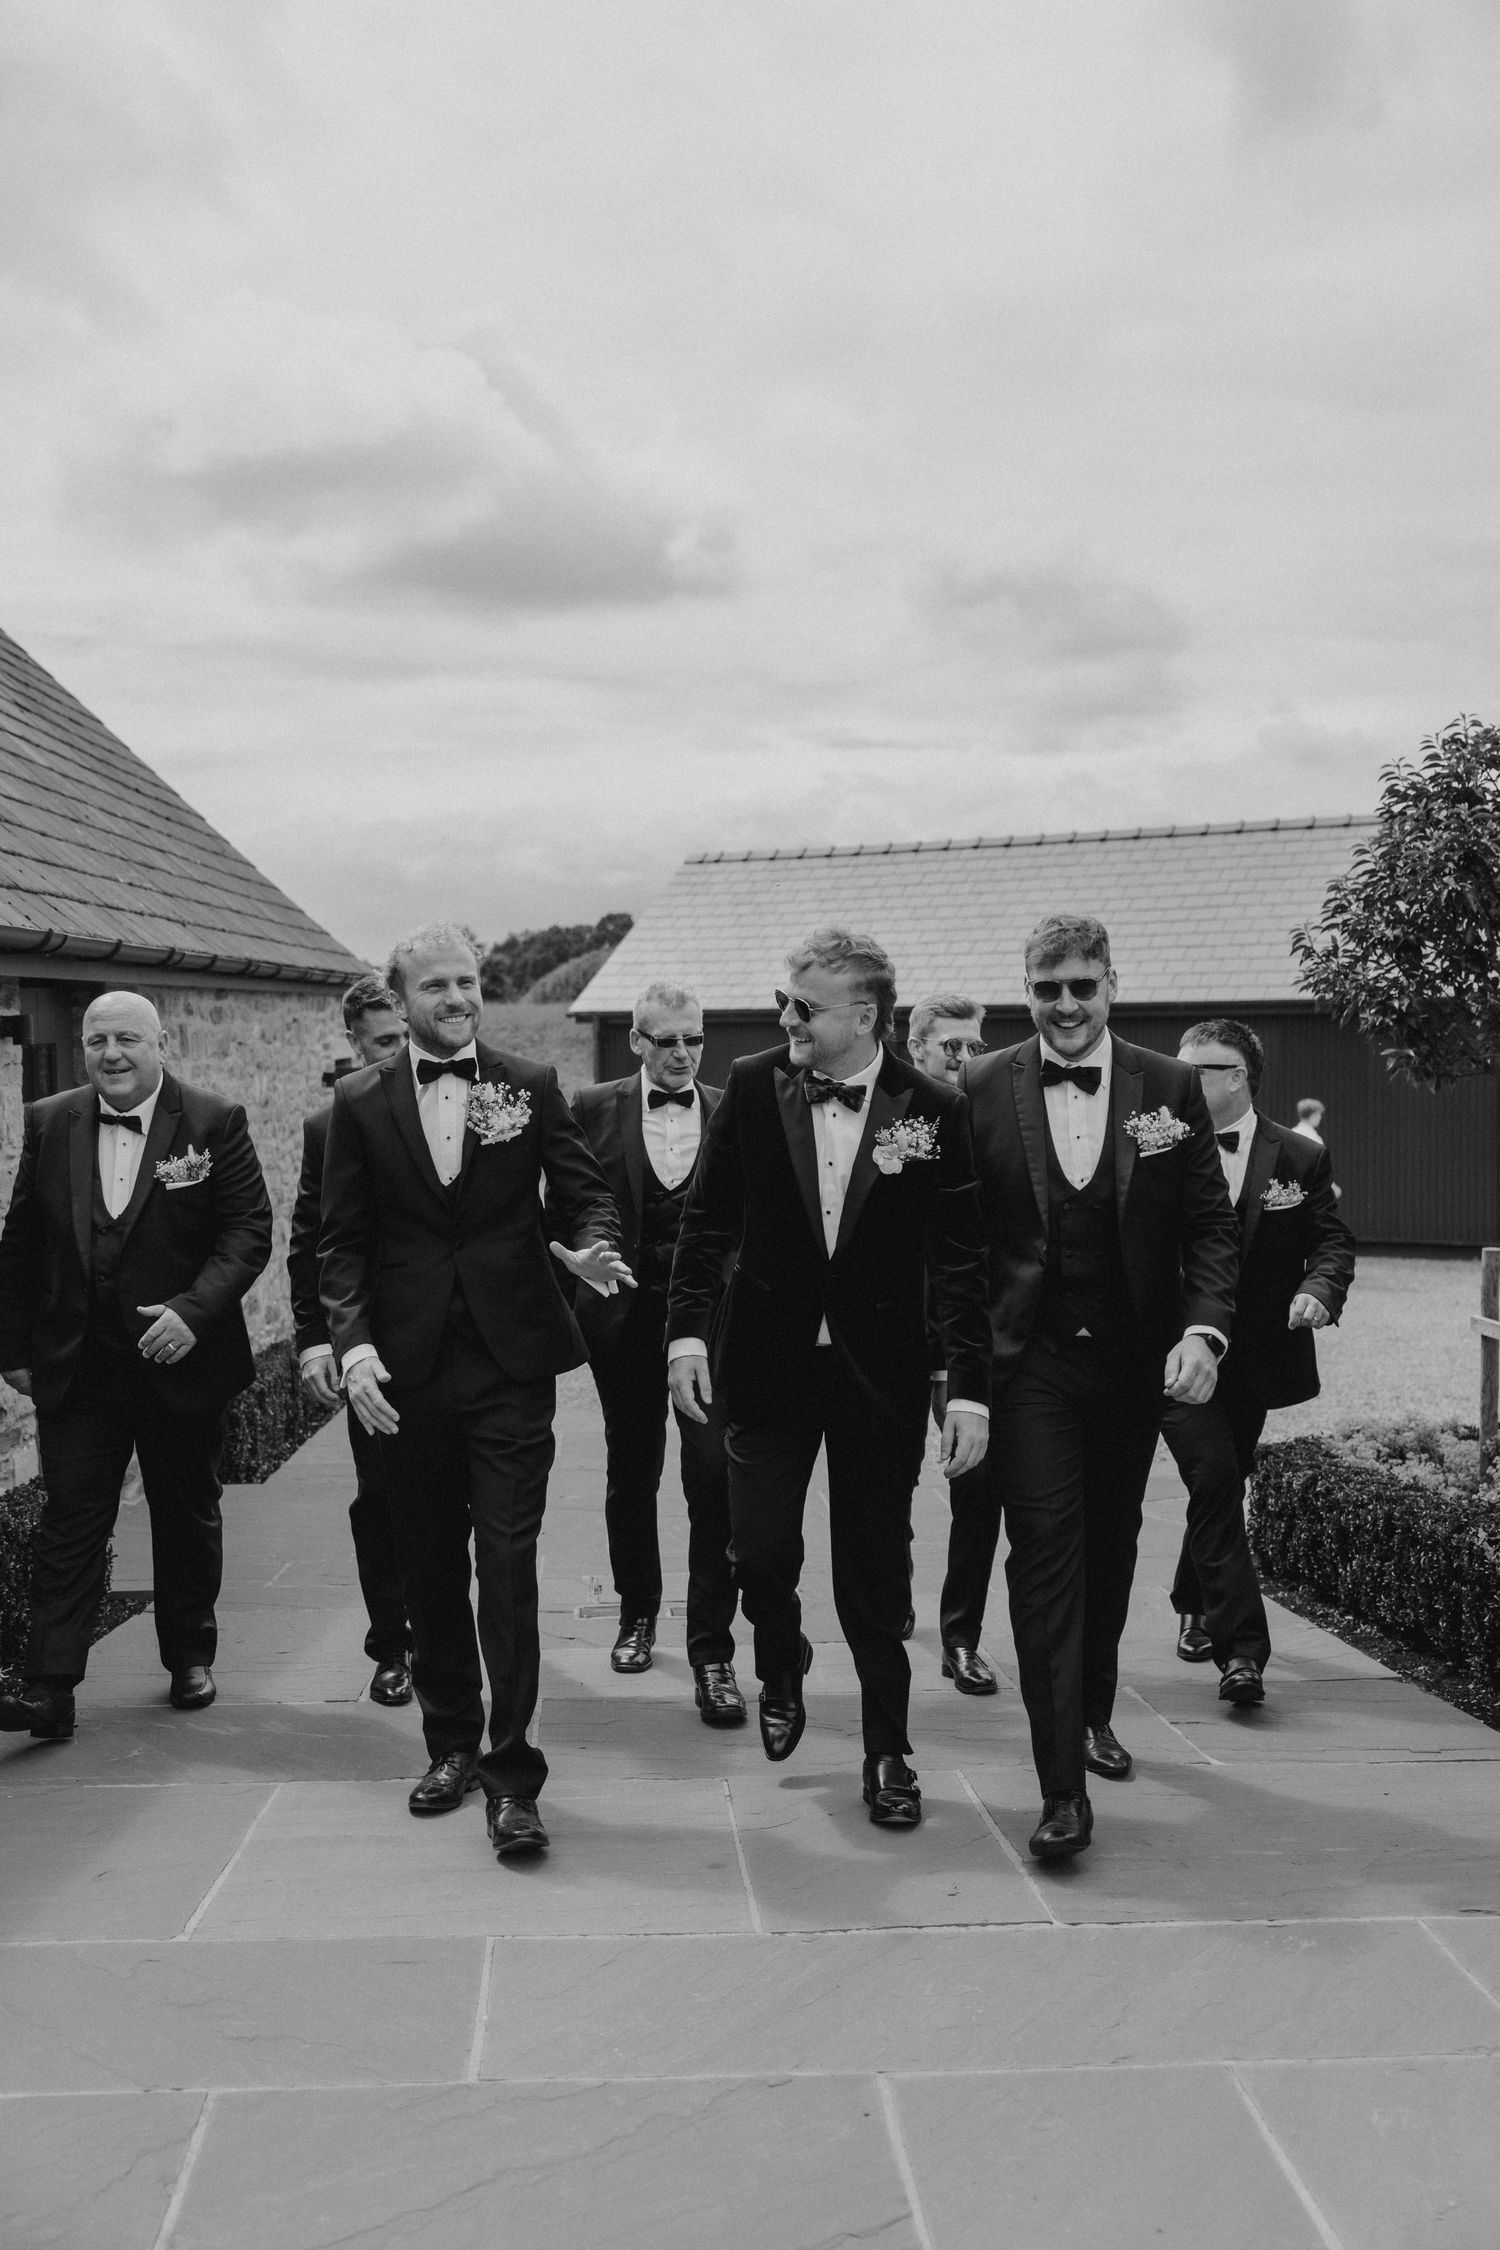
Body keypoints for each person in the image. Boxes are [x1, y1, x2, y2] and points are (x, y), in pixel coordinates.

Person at [667, 925, 990, 1830]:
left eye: (803, 1007)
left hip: (879, 1373)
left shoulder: (933, 1108)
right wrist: (685, 1336)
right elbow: (707, 1220)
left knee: (875, 1575)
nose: (786, 1019)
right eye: (786, 1001)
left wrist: (966, 1388)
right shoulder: (753, 1084)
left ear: (865, 1016)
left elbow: (961, 1261)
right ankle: (781, 1658)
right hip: (765, 1363)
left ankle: (888, 1750)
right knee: (758, 1550)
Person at [318, 923, 630, 1861]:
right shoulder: (358, 1103)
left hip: (509, 1366)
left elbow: (584, 1192)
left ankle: (513, 1773)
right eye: (437, 986)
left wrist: (594, 1245)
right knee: (427, 1565)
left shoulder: (529, 1085)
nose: (458, 999)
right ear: (400, 997)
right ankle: (450, 1742)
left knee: (507, 1560)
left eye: (468, 983)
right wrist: (353, 1349)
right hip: (405, 1374)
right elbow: (342, 1246)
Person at [963, 916, 1238, 1860]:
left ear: (1112, 984)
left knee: (1111, 1548)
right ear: (1026, 991)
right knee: (1044, 1556)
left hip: (1131, 1363)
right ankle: (1061, 1793)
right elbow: (957, 1245)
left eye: (1083, 985)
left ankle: (1092, 1711)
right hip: (1027, 1364)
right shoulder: (980, 1085)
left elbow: (1209, 1224)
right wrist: (957, 1376)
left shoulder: (1169, 1086)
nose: (1067, 1005)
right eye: (1048, 989)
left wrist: (1203, 1330)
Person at [0, 991, 272, 1737]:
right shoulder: (50, 1120)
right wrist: (12, 1348)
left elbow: (247, 1232)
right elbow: (21, 1239)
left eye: (126, 1038)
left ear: (161, 1044)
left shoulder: (213, 1121)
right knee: (70, 1519)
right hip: (80, 1364)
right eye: (97, 1041)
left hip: (180, 1358)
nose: (110, 1053)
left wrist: (193, 1312)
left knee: (184, 1511)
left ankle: (189, 1656)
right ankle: (50, 1689)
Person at [567, 980, 744, 1724]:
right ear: (637, 1041)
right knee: (632, 1469)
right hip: (626, 1320)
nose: (682, 1053)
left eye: (693, 1039)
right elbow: (572, 1201)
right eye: (666, 1040)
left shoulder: (731, 1108)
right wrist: (588, 1259)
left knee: (713, 1477)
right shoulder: (590, 1107)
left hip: (711, 1324)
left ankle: (713, 1650)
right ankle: (637, 1614)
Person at [1168, 1021, 1356, 1697]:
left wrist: (1319, 1290)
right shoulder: (1156, 1145)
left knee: (1223, 1478)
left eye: (1196, 1070)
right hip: (1175, 1351)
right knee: (1215, 1474)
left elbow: (1331, 1241)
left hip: (1254, 1357)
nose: (1179, 1080)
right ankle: (1242, 1650)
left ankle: (1193, 1599)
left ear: (1237, 1077)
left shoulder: (1298, 1155)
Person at [288, 974, 412, 1706]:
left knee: (459, 1499)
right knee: (381, 1500)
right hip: (371, 1345)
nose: (400, 1053)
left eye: (407, 1037)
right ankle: (392, 1645)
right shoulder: (327, 1125)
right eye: (385, 1042)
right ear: (356, 1044)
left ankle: (447, 1627)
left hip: (459, 1341)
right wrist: (315, 1341)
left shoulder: (470, 1102)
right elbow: (312, 1242)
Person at [907, 992, 1001, 1695]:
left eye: (974, 1046)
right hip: (895, 1333)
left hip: (969, 1338)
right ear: (917, 1049)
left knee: (977, 1486)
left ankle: (961, 1637)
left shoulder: (993, 1115)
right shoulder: (889, 1113)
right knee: (886, 1484)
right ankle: (891, 1589)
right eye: (950, 1047)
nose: (965, 1058)